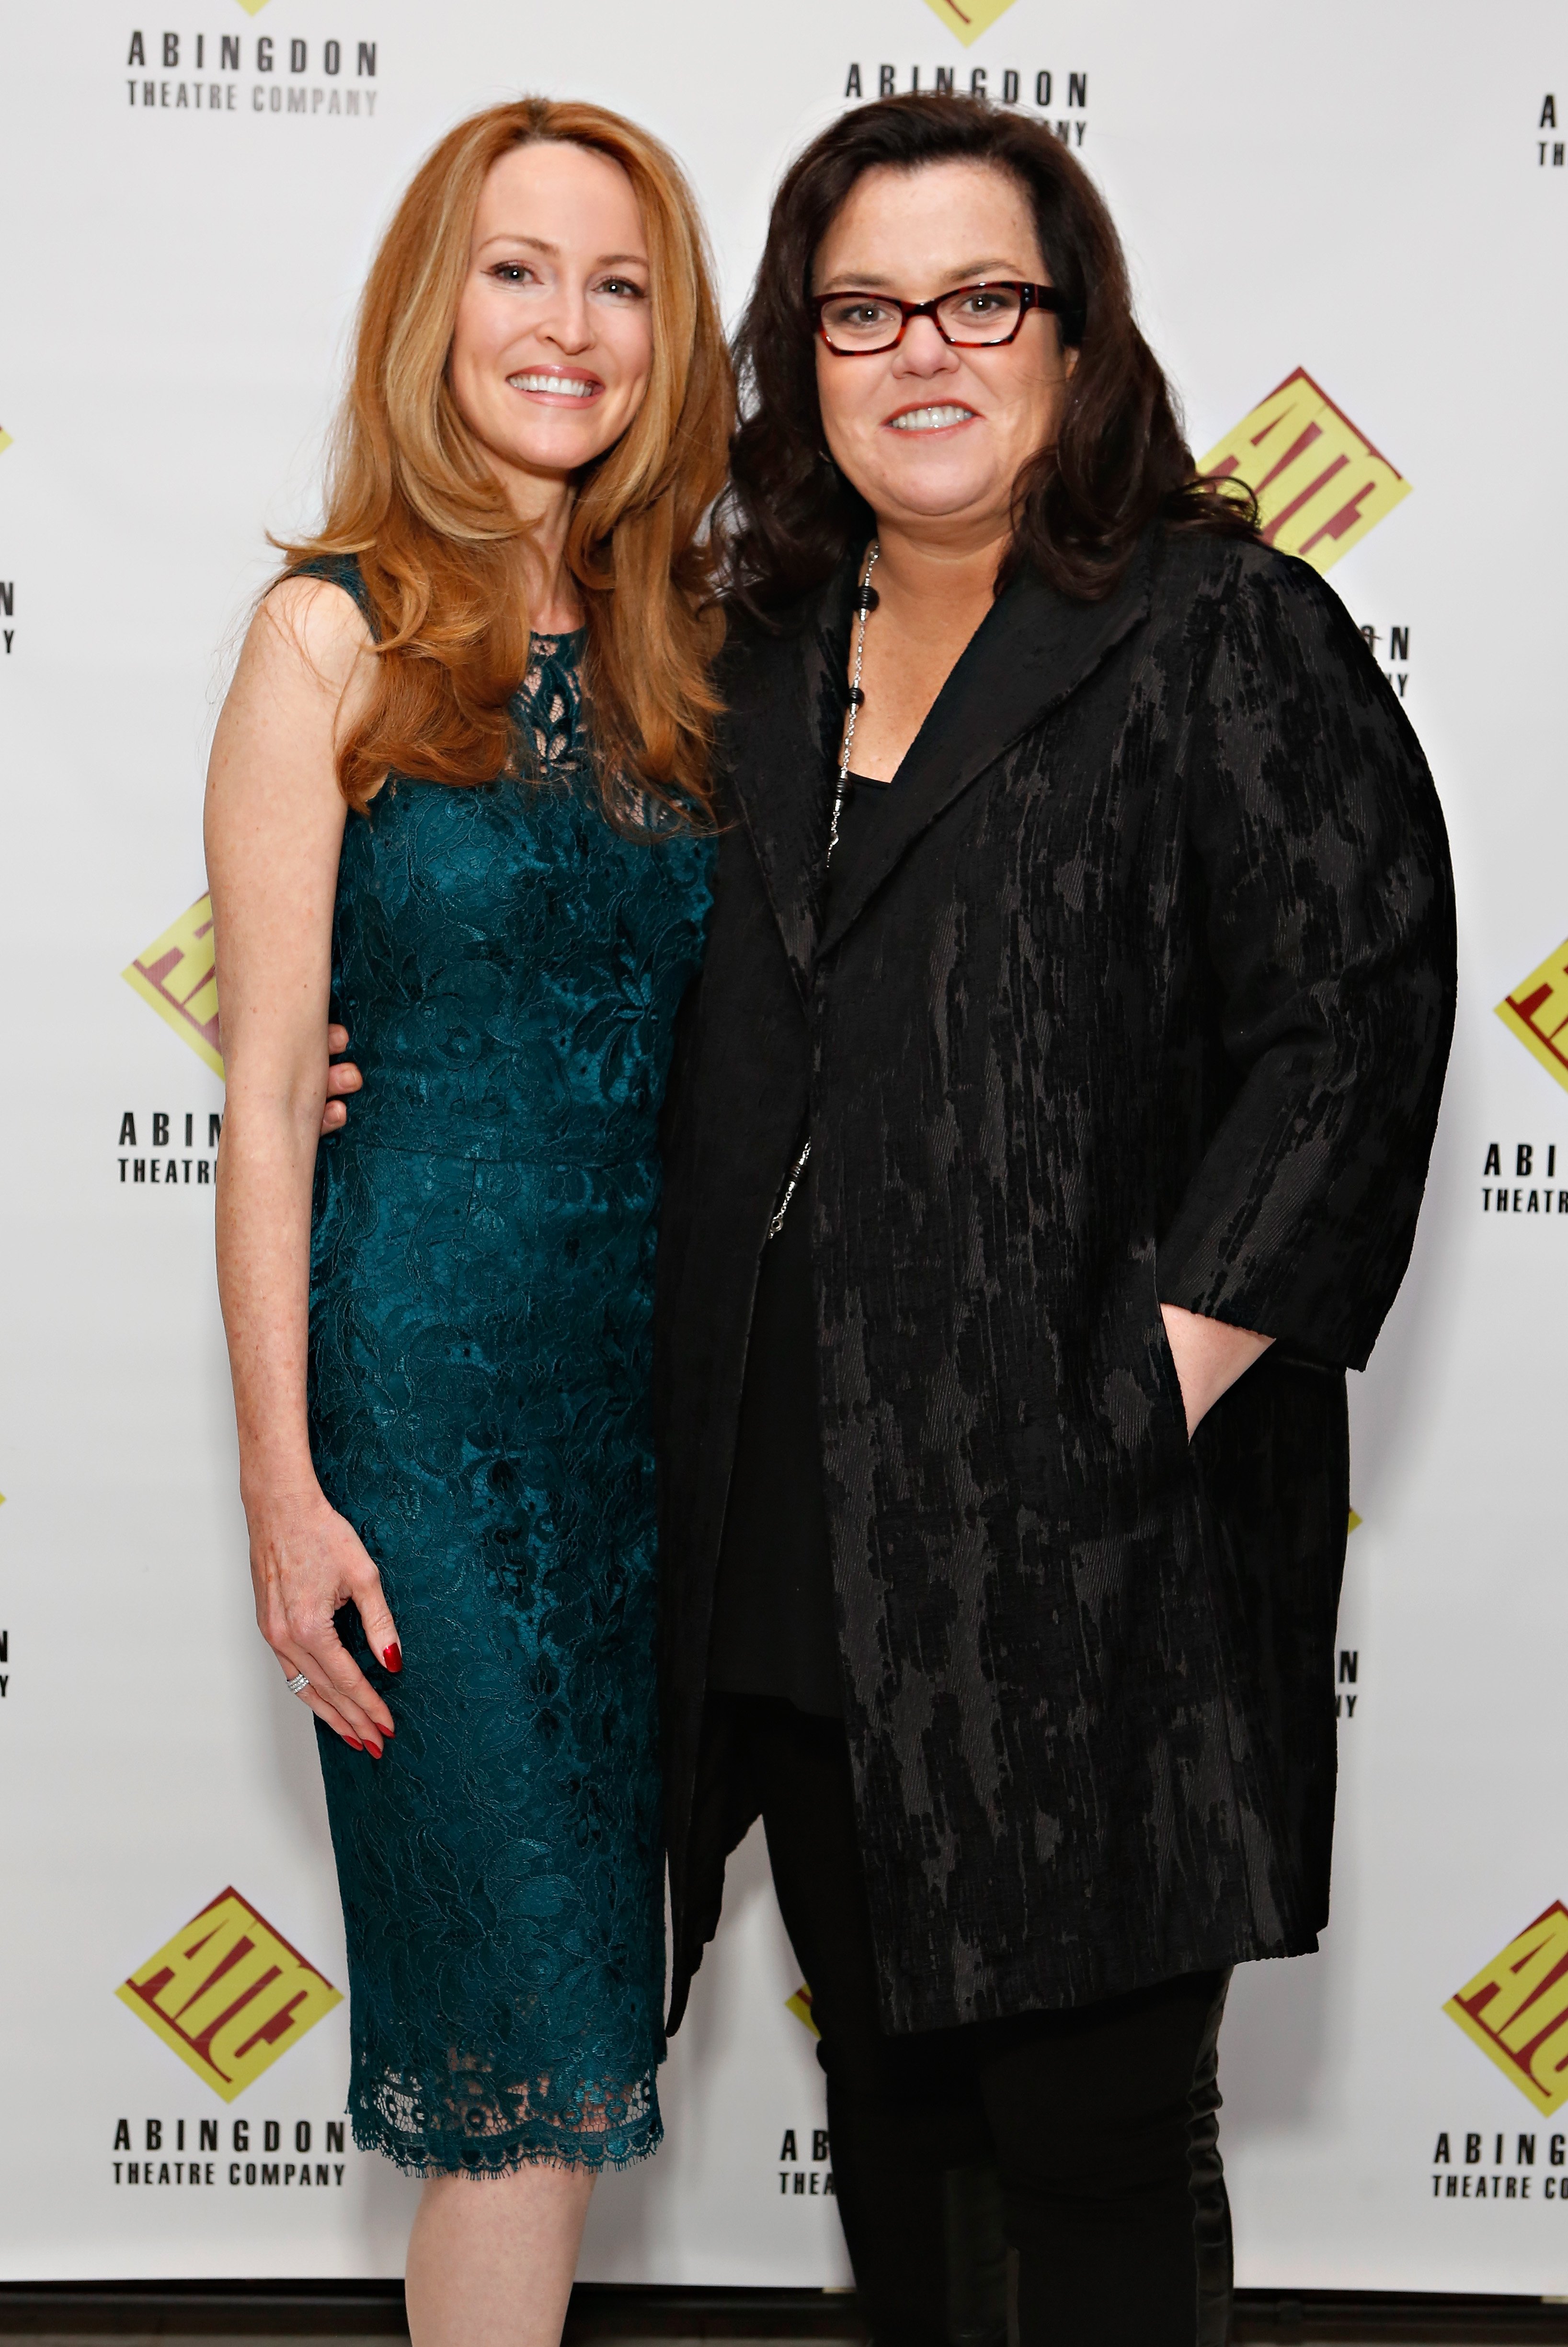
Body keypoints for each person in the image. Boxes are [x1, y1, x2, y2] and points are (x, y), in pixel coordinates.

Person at [653, 94, 1456, 2347]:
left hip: (1102, 1555)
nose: (927, 348)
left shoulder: (1219, 629)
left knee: (1097, 2155)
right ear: (801, 357)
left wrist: (1138, 1398)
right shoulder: (759, 654)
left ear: (1077, 337)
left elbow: (1353, 1033)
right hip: (808, 1546)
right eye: (864, 308)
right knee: (897, 2126)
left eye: (982, 298)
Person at [206, 99, 729, 2347]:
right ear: (438, 308)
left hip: (655, 1436)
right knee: (513, 2073)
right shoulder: (325, 638)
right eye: (518, 270)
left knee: (586, 2039)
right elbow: (263, 1107)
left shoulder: (693, 650)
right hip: (423, 1428)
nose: (570, 326)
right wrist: (282, 1489)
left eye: (618, 282)